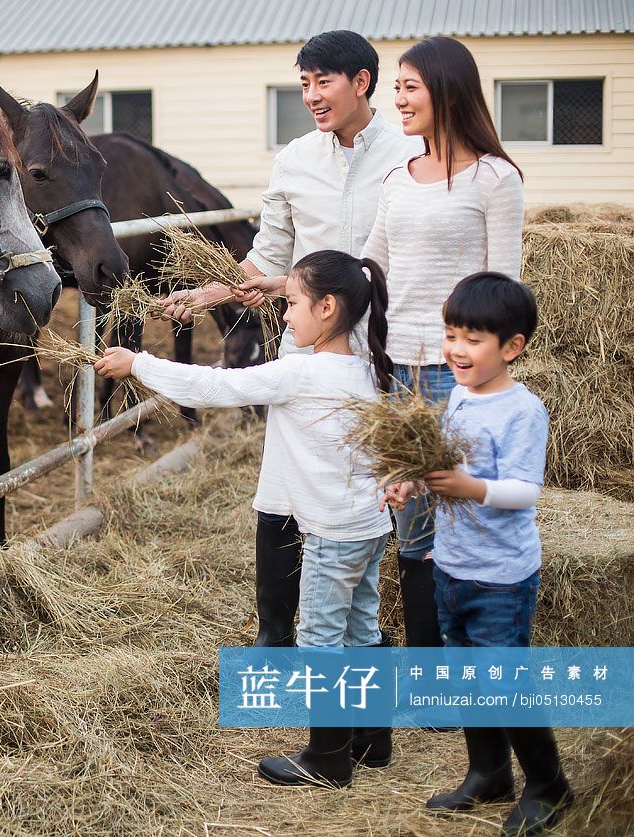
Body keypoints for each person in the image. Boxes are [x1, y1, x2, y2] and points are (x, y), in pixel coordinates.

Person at [159, 30, 421, 651]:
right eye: (304, 83)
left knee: (383, 495)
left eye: (322, 81)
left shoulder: (409, 155)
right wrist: (211, 293)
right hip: (310, 351)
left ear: (362, 82)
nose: (310, 96)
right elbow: (267, 258)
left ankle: (393, 657)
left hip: (386, 351)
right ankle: (279, 643)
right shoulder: (295, 160)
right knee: (282, 489)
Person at [97, 249, 396, 786]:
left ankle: (328, 758)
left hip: (329, 533)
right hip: (369, 528)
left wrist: (137, 363)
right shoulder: (369, 367)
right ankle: (373, 739)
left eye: (294, 304)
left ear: (327, 308)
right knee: (362, 626)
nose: (285, 316)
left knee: (322, 638)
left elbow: (215, 388)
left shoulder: (301, 372)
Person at [383, 273, 571, 836]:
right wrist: (413, 482)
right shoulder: (459, 396)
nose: (457, 350)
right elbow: (442, 461)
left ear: (512, 347)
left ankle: (547, 784)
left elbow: (525, 491)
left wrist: (470, 489)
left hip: (500, 577)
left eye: (473, 339)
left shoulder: (522, 411)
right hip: (454, 565)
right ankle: (488, 772)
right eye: (451, 334)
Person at [360, 36, 526, 651]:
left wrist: (479, 375)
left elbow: (503, 286)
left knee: (463, 516)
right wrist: (293, 284)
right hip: (401, 368)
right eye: (396, 87)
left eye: (409, 87)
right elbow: (368, 263)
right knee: (411, 523)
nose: (397, 99)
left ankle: (470, 659)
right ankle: (428, 672)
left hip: (460, 373)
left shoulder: (494, 178)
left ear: (447, 90)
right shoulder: (397, 179)